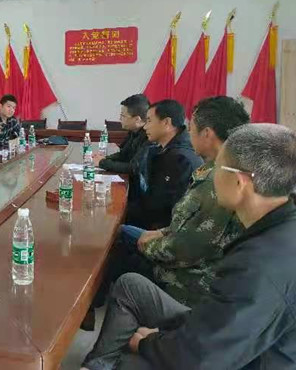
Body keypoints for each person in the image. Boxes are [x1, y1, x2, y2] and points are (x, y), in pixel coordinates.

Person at [81, 123, 296, 370]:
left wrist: (147, 343)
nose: (211, 175)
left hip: (231, 360)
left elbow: (201, 357)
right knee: (131, 286)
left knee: (128, 361)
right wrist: (170, 335)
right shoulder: (278, 227)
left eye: (216, 168)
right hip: (216, 330)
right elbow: (220, 320)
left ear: (240, 183)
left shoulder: (260, 265)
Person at [83, 96, 249, 331]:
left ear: (207, 133)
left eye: (191, 127)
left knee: (115, 244)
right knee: (118, 236)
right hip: (176, 244)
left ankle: (91, 309)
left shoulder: (216, 178)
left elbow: (185, 248)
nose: (188, 133)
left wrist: (146, 242)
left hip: (190, 278)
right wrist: (161, 233)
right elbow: (189, 225)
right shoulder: (217, 168)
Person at [126, 99, 202, 229]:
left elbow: (162, 209)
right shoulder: (163, 148)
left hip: (163, 231)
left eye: (149, 121)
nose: (145, 127)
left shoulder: (180, 159)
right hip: (152, 219)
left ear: (166, 122)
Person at [96, 94, 149, 173]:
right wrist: (104, 158)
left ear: (137, 119)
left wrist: (102, 163)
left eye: (123, 116)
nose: (120, 119)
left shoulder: (149, 136)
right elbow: (123, 155)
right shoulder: (133, 131)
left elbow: (134, 168)